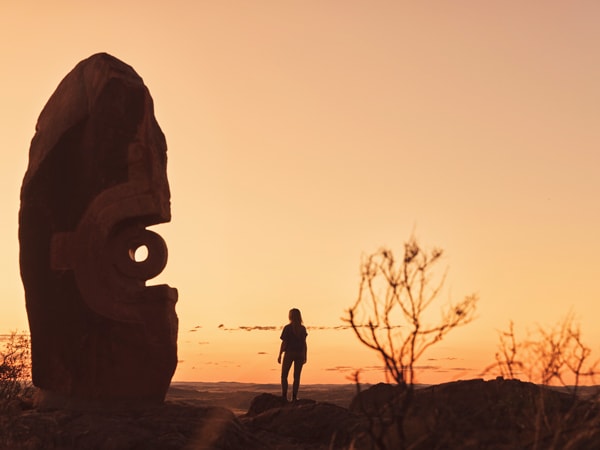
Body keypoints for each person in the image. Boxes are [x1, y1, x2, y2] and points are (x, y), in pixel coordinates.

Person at [277, 308, 308, 402]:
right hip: (299, 354)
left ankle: (284, 396)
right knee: (297, 377)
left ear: (290, 316)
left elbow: (284, 342)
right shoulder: (302, 328)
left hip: (289, 353)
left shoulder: (287, 328)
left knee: (284, 375)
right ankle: (294, 397)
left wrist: (280, 354)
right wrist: (305, 355)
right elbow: (304, 344)